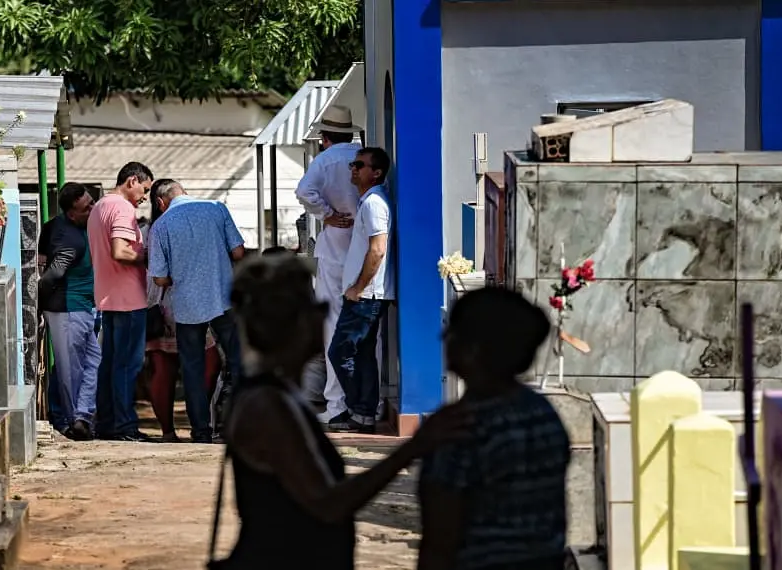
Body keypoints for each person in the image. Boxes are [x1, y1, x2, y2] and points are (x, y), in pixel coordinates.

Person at [213, 254, 468, 569]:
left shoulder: (276, 395)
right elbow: (329, 502)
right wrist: (412, 449)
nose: (323, 319)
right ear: (298, 323)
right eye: (318, 309)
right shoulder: (269, 406)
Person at [418, 286, 570, 570]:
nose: (442, 337)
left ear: (473, 349)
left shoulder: (459, 427)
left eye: (452, 330)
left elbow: (440, 540)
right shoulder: (543, 414)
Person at [147, 179, 246, 444]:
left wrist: (181, 274)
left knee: (191, 368)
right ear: (185, 193)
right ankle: (235, 422)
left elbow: (159, 278)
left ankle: (200, 431)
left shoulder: (161, 226)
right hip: (223, 298)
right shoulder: (216, 208)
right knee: (237, 361)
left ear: (160, 202)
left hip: (187, 306)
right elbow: (238, 252)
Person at [294, 104, 363, 429]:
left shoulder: (324, 160)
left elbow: (303, 191)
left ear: (324, 138)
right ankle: (367, 402)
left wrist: (326, 214)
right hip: (365, 246)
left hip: (335, 247)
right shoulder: (365, 156)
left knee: (333, 324)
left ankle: (337, 404)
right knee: (368, 329)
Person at [327, 147, 395, 434]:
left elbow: (377, 249)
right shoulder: (370, 201)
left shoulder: (373, 203)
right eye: (353, 165)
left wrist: (358, 287)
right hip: (368, 294)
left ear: (376, 172)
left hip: (366, 295)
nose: (353, 169)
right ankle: (364, 413)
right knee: (363, 355)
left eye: (360, 165)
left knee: (340, 352)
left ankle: (359, 410)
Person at [88, 161, 154, 442]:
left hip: (108, 297)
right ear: (131, 181)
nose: (145, 197)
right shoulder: (123, 208)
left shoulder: (99, 206)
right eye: (145, 189)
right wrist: (147, 257)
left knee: (111, 364)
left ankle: (107, 423)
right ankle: (125, 426)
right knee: (128, 365)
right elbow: (120, 251)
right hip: (128, 299)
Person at [39, 182, 100, 441]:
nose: (93, 208)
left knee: (92, 361)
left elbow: (41, 255)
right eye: (87, 207)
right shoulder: (71, 240)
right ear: (72, 213)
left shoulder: (57, 225)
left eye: (92, 201)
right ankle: (71, 420)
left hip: (83, 307)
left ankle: (81, 414)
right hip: (67, 308)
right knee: (69, 369)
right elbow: (53, 273)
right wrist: (38, 302)